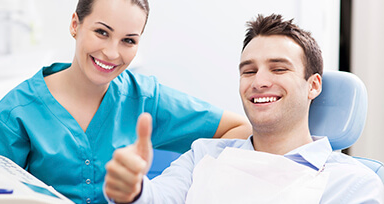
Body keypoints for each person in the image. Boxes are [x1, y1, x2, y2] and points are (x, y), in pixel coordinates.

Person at [0, 0, 252, 203]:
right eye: (101, 32)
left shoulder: (145, 98)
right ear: (75, 25)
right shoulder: (12, 115)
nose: (112, 53)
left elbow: (239, 128)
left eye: (128, 40)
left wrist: (175, 185)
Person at [104, 14, 384, 203]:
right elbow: (156, 198)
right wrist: (132, 190)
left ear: (313, 86)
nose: (259, 82)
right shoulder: (203, 155)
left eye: (278, 68)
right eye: (248, 71)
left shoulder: (353, 184)